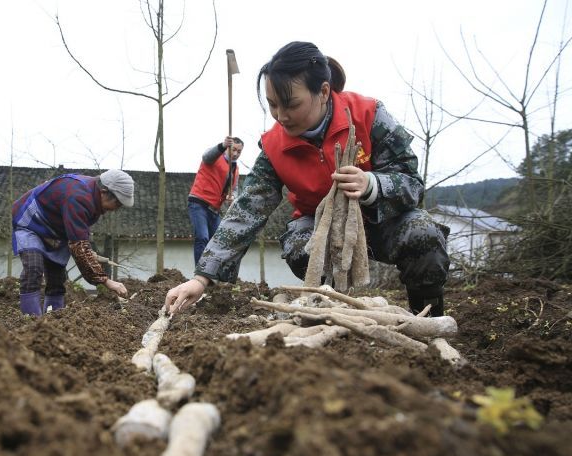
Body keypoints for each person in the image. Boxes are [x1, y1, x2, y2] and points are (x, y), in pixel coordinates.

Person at [165, 41, 449, 317]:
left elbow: (412, 181)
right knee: (301, 247)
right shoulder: (275, 146)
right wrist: (202, 278)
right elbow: (246, 210)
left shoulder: (369, 115)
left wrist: (372, 184)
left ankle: (426, 318)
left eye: (290, 104)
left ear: (323, 92)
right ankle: (331, 311)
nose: (281, 116)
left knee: (423, 233)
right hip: (318, 226)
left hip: (380, 220)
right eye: (272, 105)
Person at [12, 169, 133, 316]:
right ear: (104, 191)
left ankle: (53, 322)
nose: (116, 209)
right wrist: (106, 281)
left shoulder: (93, 197)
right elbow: (79, 246)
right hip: (32, 223)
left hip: (57, 232)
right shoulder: (79, 197)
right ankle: (30, 322)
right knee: (33, 268)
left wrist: (86, 250)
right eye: (118, 203)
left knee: (57, 278)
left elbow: (80, 238)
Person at [188, 136, 244, 264]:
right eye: (233, 149)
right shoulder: (215, 156)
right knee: (202, 237)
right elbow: (206, 157)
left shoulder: (235, 170)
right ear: (228, 148)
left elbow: (234, 189)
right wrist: (222, 145)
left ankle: (211, 273)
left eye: (239, 151)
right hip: (199, 203)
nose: (236, 154)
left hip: (214, 209)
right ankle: (199, 274)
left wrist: (232, 196)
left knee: (219, 242)